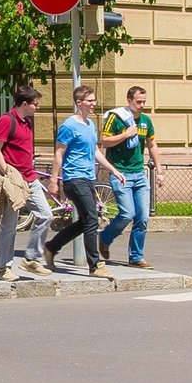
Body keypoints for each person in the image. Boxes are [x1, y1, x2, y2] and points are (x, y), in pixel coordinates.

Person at [43, 84, 114, 277]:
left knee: (85, 222)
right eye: (90, 101)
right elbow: (59, 153)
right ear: (79, 102)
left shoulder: (91, 125)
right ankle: (95, 265)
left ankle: (51, 247)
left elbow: (96, 152)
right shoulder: (69, 126)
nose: (94, 104)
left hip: (89, 178)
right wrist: (54, 180)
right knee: (92, 219)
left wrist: (113, 169)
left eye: (94, 100)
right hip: (74, 179)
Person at [0, 83, 55, 279]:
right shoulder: (7, 121)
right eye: (35, 104)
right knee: (9, 226)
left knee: (46, 215)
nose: (38, 107)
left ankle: (31, 259)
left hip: (30, 179)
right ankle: (3, 268)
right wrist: (7, 172)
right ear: (25, 104)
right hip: (13, 181)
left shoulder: (27, 122)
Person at [99, 84, 160, 268]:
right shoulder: (116, 118)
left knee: (142, 217)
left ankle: (136, 256)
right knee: (127, 213)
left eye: (143, 102)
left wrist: (160, 170)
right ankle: (105, 237)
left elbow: (152, 144)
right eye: (138, 102)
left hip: (139, 174)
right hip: (120, 173)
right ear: (129, 101)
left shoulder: (145, 121)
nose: (141, 105)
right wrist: (125, 135)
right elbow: (105, 141)